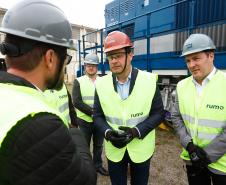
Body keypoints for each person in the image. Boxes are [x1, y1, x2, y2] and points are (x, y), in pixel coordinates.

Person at [0, 0, 96, 185]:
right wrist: (74, 133)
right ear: (50, 58)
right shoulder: (42, 124)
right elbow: (85, 180)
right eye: (66, 59)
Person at [93, 31, 165, 185]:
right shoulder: (101, 83)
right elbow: (97, 116)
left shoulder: (149, 80)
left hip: (140, 149)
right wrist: (108, 133)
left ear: (130, 54)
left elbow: (158, 113)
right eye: (110, 57)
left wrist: (136, 131)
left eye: (118, 55)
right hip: (114, 149)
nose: (114, 61)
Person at [171, 33, 226, 185]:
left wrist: (207, 156)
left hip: (222, 165)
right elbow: (176, 118)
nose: (191, 65)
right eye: (188, 60)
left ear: (211, 56)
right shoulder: (182, 86)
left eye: (196, 58)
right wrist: (189, 146)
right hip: (192, 158)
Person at [72, 53, 109, 176]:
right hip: (84, 121)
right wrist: (94, 114)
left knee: (98, 146)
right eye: (88, 65)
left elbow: (107, 99)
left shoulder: (104, 81)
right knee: (84, 147)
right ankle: (85, 168)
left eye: (93, 65)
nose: (91, 68)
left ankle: (97, 165)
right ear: (85, 66)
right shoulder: (78, 81)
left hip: (99, 122)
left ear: (97, 66)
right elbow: (77, 101)